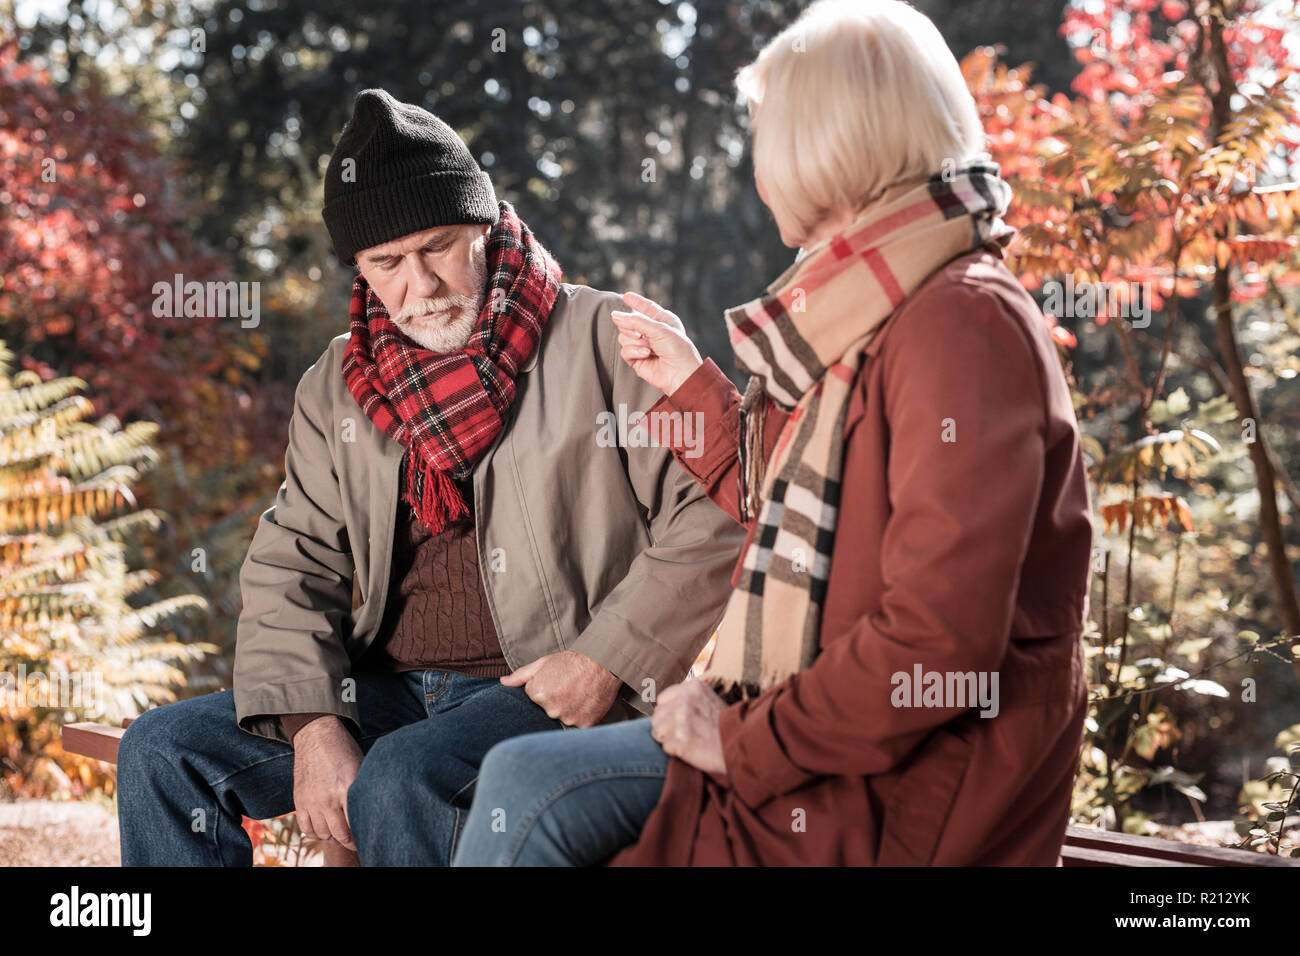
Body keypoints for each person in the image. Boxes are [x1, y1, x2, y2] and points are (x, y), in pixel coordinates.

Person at [453, 0, 1094, 867]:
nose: (758, 161)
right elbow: (780, 505)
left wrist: (740, 738)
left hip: (900, 790)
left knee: (527, 793)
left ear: (826, 141)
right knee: (517, 784)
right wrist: (688, 389)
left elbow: (940, 641)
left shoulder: (956, 325)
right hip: (826, 741)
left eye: (766, 132)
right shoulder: (877, 306)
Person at [115, 89, 745, 866]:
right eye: (387, 263)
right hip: (385, 686)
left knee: (400, 777)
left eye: (438, 245)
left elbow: (712, 513)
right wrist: (313, 725)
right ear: (360, 270)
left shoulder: (604, 341)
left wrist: (607, 659)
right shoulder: (338, 384)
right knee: (160, 750)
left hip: (542, 691)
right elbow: (293, 562)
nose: (420, 283)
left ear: (483, 225)